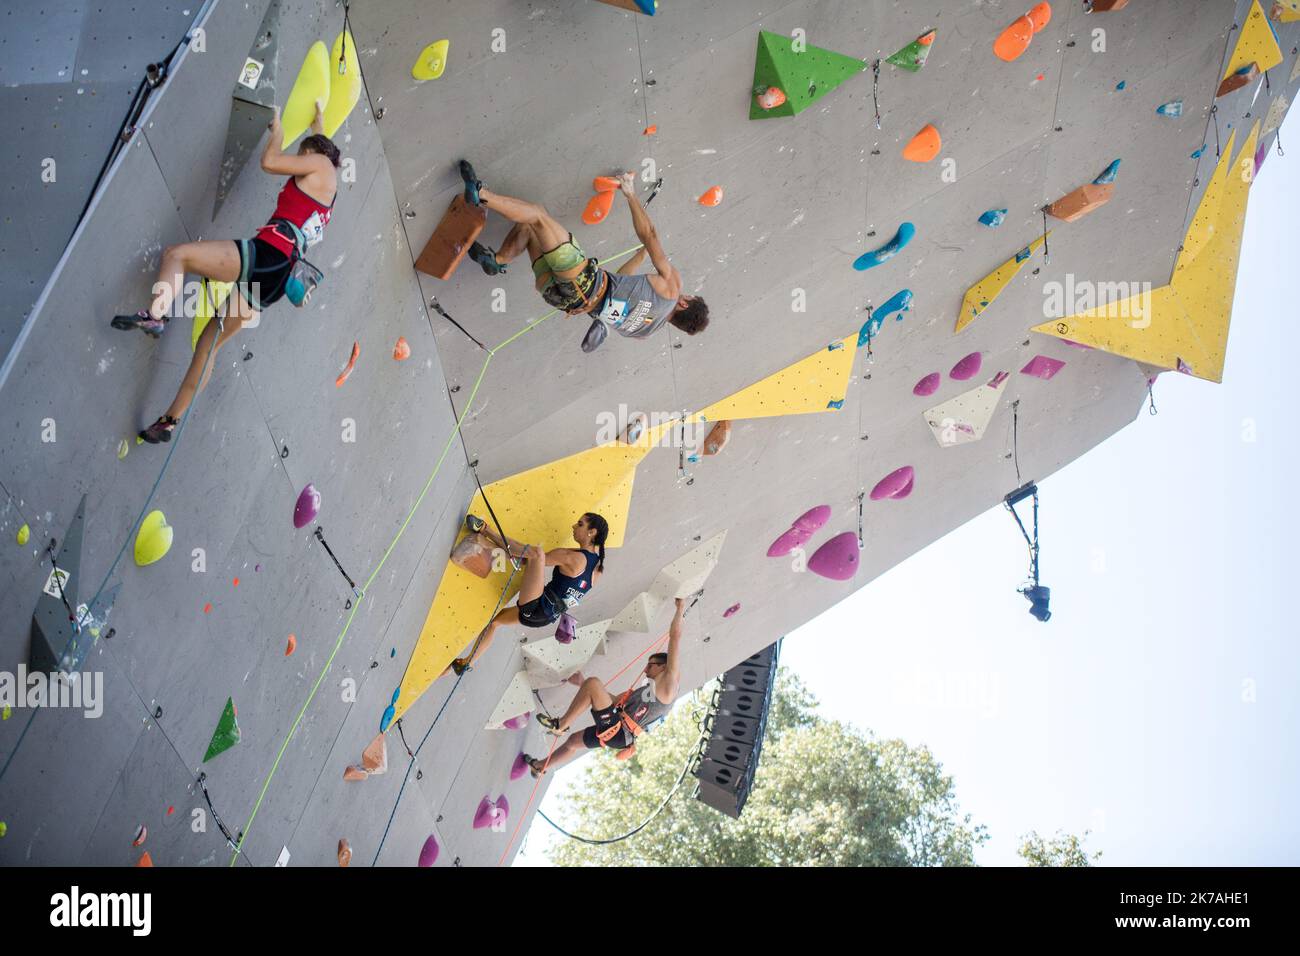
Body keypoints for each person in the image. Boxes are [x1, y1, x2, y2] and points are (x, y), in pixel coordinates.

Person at [110, 105, 339, 443]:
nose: (299, 159)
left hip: (268, 253)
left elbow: (271, 162)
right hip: (278, 277)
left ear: (314, 153)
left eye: (303, 152)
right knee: (208, 343)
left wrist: (277, 133)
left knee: (178, 255)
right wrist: (318, 118)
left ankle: (156, 315)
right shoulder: (328, 188)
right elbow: (321, 143)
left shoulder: (318, 163)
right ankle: (169, 421)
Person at [456, 163, 708, 351]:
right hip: (561, 298)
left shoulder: (673, 290)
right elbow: (623, 281)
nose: (684, 295)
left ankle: (480, 194)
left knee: (537, 216)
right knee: (529, 229)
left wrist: (630, 194)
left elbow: (649, 234)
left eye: (688, 297)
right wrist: (640, 257)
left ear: (684, 304)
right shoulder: (644, 332)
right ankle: (496, 262)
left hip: (583, 280)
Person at [523, 596, 687, 777]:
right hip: (620, 732)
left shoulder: (669, 686)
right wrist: (582, 683)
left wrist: (680, 608)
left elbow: (675, 638)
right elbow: (614, 701)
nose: (646, 669)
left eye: (651, 665)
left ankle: (560, 725)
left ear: (664, 667)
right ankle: (540, 766)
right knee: (573, 742)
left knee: (594, 683)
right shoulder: (651, 692)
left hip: (619, 731)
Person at [443, 512, 609, 677]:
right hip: (546, 617)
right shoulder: (598, 570)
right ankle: (465, 664)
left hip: (537, 606)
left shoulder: (574, 558)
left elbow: (526, 558)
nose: (574, 526)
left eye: (580, 524)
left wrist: (489, 537)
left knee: (536, 553)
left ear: (592, 532)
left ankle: (484, 533)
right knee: (494, 622)